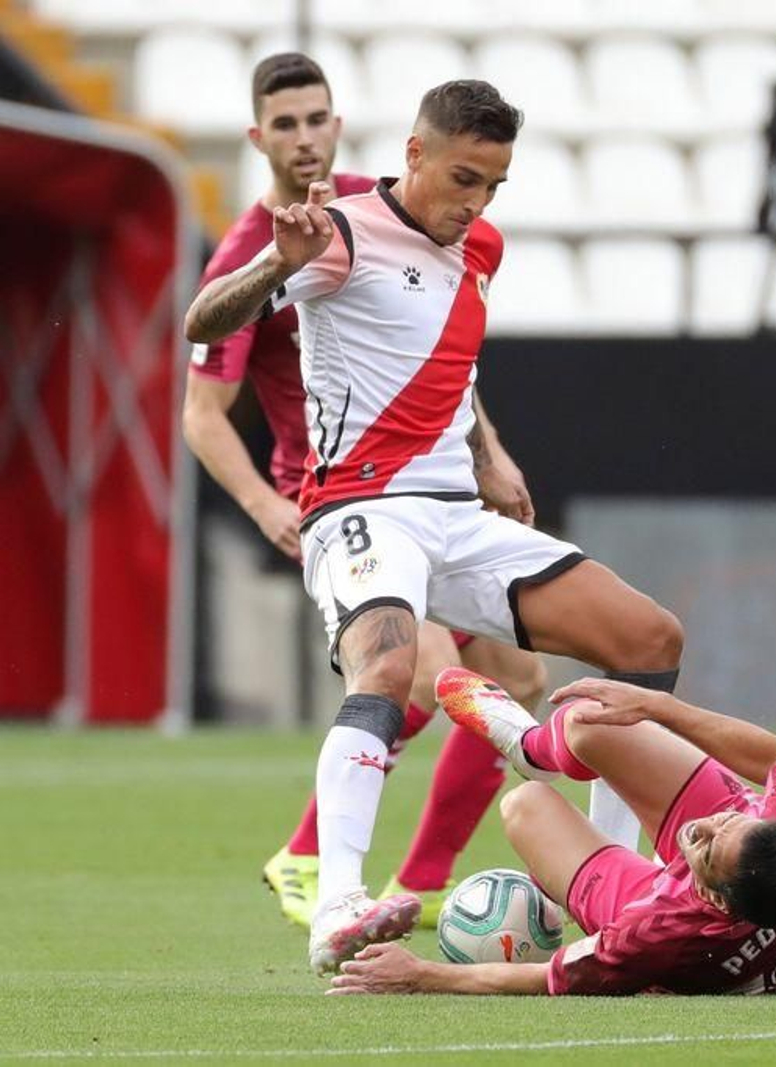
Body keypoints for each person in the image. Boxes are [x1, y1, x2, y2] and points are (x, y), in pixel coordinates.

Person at [184, 78, 685, 978]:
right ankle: (336, 901)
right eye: (463, 179)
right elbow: (201, 320)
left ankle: (620, 887)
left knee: (650, 639)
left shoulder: (479, 244)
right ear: (414, 155)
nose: (476, 203)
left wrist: (488, 452)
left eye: (493, 185)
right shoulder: (334, 234)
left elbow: (442, 359)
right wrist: (271, 265)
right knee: (386, 667)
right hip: (358, 510)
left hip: (459, 516)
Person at [183, 52, 557, 932]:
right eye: (285, 124)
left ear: (342, 127)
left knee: (522, 674)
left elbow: (440, 351)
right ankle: (313, 856)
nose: (305, 137)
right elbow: (202, 413)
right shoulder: (257, 249)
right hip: (342, 500)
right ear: (258, 138)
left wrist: (488, 452)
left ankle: (417, 880)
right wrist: (265, 506)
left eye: (317, 119)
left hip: (429, 491)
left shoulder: (386, 205)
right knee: (419, 675)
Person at [327, 668, 776, 997]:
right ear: (775, 821)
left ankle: (594, 863)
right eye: (728, 820)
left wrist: (422, 976)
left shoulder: (659, 932)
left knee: (524, 807)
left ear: (715, 899)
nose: (700, 826)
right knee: (594, 722)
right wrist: (658, 706)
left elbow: (548, 976)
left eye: (702, 850)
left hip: (675, 919)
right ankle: (533, 748)